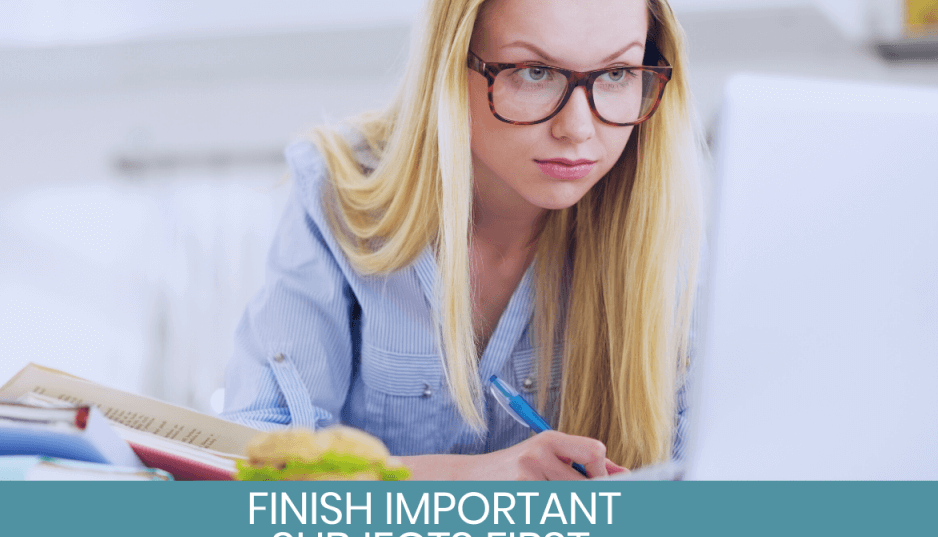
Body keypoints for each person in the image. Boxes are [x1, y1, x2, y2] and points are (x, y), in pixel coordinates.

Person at [222, 0, 702, 480]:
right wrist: (468, 480)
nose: (577, 129)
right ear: (450, 66)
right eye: (534, 73)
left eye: (618, 74)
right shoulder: (337, 193)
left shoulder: (663, 221)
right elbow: (259, 466)